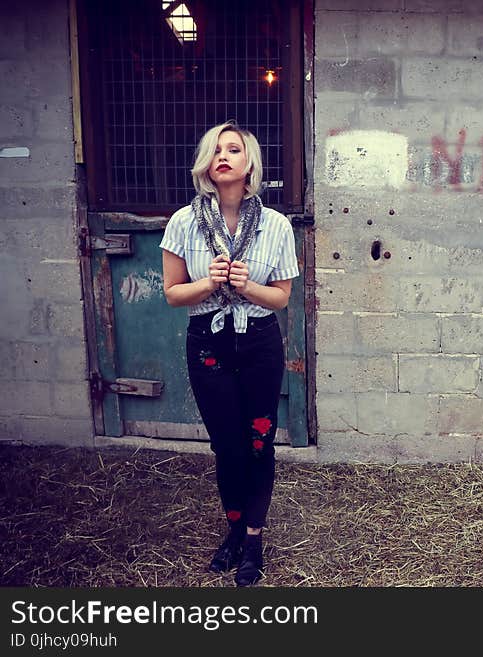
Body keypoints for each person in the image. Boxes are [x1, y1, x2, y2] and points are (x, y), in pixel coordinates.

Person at [160, 120, 299, 586]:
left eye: (234, 149)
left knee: (259, 444)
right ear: (207, 164)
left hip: (259, 342)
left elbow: (281, 299)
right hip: (208, 343)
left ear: (249, 165)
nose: (224, 156)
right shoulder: (183, 222)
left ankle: (254, 542)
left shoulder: (276, 226)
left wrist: (248, 287)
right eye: (216, 150)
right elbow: (174, 294)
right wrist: (210, 282)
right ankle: (234, 532)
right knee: (227, 446)